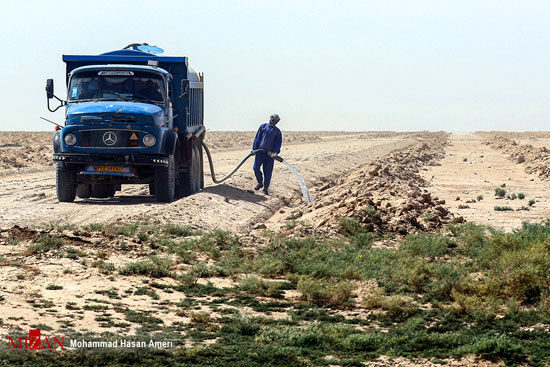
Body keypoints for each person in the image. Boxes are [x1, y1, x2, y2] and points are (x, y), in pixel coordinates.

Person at [252, 114, 282, 195]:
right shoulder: (263, 127)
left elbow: (278, 143)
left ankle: (265, 188)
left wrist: (275, 153)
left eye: (276, 121)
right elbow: (257, 138)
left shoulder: (277, 132)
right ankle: (260, 182)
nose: (275, 122)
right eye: (274, 121)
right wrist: (254, 149)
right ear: (271, 119)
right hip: (260, 153)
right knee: (255, 168)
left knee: (268, 172)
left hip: (269, 156)